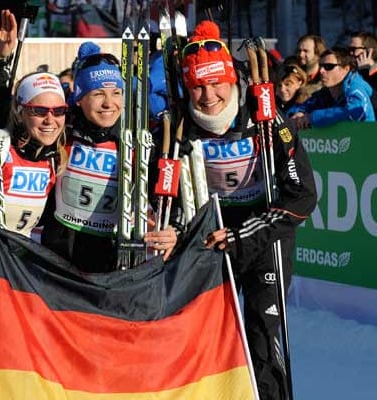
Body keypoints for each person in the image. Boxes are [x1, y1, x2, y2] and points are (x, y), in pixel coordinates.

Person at [175, 20, 317, 400]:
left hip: (262, 240)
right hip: (210, 242)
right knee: (201, 341)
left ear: (232, 80)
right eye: (198, 86)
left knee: (262, 342)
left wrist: (245, 235)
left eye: (216, 83)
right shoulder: (179, 125)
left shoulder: (266, 118)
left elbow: (302, 196)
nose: (208, 95)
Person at [39, 41, 178, 273]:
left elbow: (165, 195)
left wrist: (172, 228)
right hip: (59, 255)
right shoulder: (61, 131)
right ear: (79, 98)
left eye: (116, 93)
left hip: (113, 258)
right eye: (98, 93)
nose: (108, 103)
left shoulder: (137, 140)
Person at [0, 72, 69, 237]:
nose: (50, 119)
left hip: (19, 257)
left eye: (59, 111)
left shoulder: (54, 159)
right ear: (20, 112)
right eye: (39, 111)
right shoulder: (1, 147)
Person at [289, 47, 375, 129]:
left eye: (328, 66)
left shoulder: (356, 87)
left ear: (346, 69)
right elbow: (298, 108)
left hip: (365, 142)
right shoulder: (324, 93)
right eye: (320, 66)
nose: (321, 71)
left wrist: (312, 118)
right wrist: (298, 113)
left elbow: (356, 113)